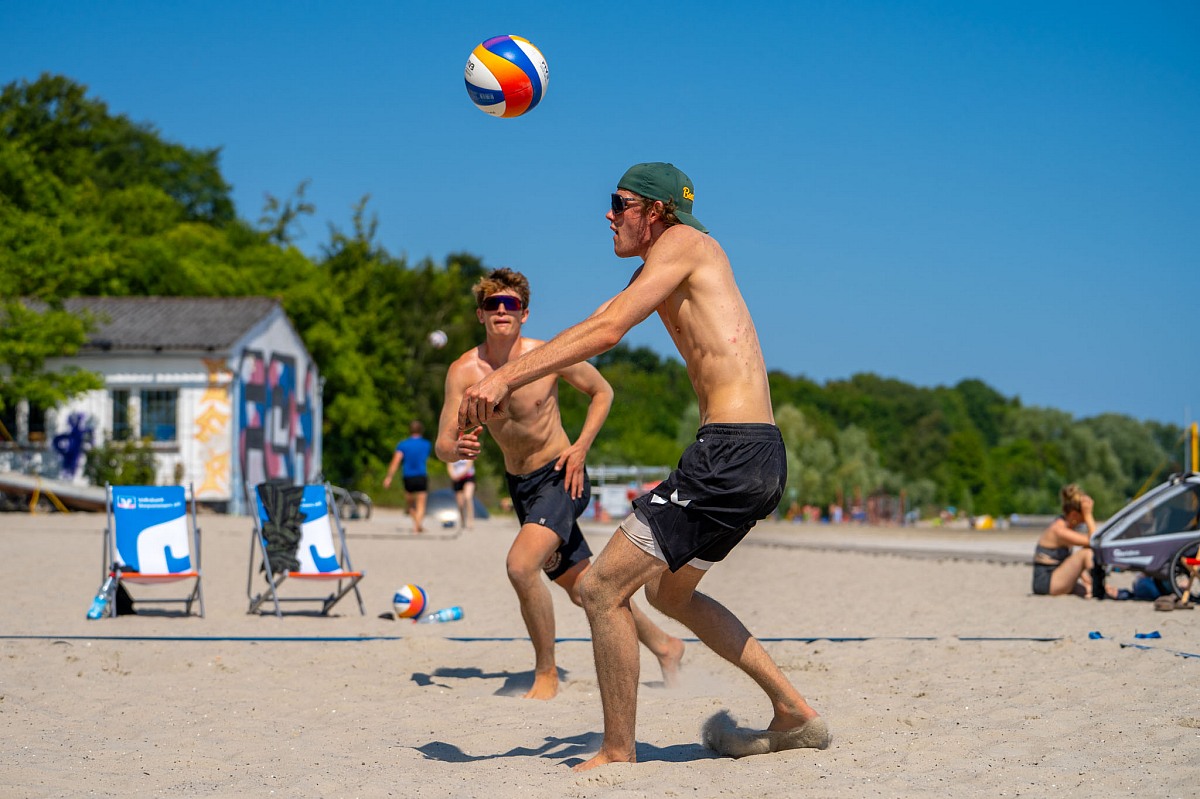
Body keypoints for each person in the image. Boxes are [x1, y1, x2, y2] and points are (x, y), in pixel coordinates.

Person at [457, 163, 828, 769]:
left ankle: (617, 751)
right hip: (755, 453)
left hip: (731, 450)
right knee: (669, 594)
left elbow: (607, 332)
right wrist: (511, 374)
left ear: (654, 211)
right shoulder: (662, 264)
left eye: (620, 202)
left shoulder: (685, 242)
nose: (608, 214)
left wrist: (504, 376)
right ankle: (793, 712)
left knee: (601, 587)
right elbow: (593, 324)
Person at [435, 267, 684, 701]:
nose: (501, 311)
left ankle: (546, 672)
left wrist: (582, 446)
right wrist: (456, 449)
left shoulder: (545, 356)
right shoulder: (464, 371)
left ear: (524, 313)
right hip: (521, 487)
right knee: (585, 589)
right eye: (492, 304)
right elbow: (442, 443)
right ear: (480, 314)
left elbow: (602, 392)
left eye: (510, 304)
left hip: (561, 476)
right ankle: (666, 647)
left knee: (520, 566)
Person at [1032, 484, 1104, 597]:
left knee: (1089, 589)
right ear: (1074, 514)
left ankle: (1098, 586)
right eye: (1082, 516)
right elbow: (1094, 541)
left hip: (1054, 578)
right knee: (1086, 553)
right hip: (1046, 583)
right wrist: (1088, 515)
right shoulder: (1059, 530)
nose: (1084, 521)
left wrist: (1085, 579)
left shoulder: (1063, 525)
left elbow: (1068, 561)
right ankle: (1099, 586)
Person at [383, 420, 432, 534]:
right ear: (421, 431)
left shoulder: (403, 445)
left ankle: (417, 525)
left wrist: (389, 477)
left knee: (410, 504)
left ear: (409, 430)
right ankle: (417, 526)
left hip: (408, 476)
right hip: (421, 475)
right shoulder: (426, 444)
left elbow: (395, 461)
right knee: (421, 504)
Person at [447, 458, 477, 530]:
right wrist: (453, 475)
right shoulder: (452, 454)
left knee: (468, 497)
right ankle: (462, 520)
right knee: (460, 503)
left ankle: (470, 520)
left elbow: (469, 465)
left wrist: (460, 475)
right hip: (457, 479)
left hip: (468, 477)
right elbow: (449, 466)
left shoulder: (469, 453)